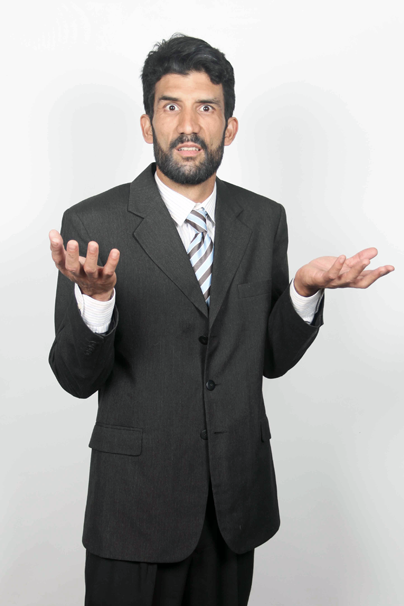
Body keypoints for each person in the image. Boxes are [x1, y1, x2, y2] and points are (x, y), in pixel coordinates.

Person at [48, 34, 394, 606]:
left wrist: (302, 292)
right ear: (147, 125)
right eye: (171, 106)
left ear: (229, 127)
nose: (189, 125)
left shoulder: (263, 219)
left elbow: (269, 359)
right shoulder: (93, 224)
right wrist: (98, 300)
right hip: (135, 509)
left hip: (233, 504)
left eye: (206, 107)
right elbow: (75, 378)